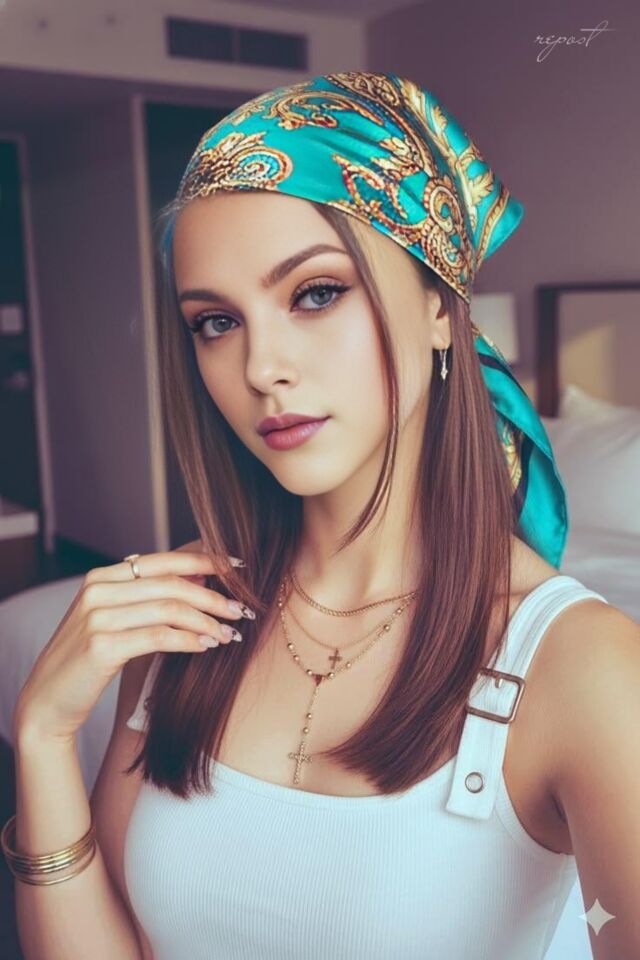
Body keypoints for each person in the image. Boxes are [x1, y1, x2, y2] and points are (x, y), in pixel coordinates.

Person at [5, 72, 639, 960]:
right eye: (216, 321)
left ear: (438, 307)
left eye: (315, 293)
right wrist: (44, 736)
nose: (261, 367)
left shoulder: (585, 668)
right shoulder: (186, 614)